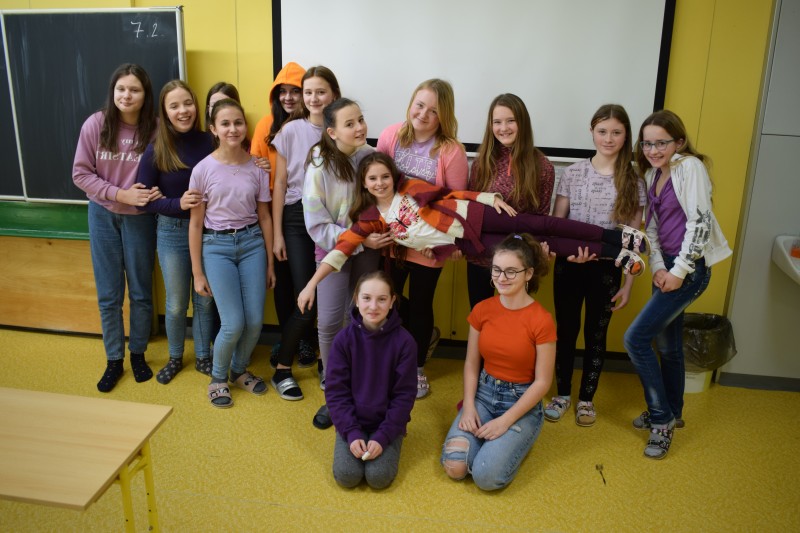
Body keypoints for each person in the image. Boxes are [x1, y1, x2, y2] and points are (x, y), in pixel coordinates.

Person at [296, 152, 648, 314]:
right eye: (372, 179)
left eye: (384, 176)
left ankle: (617, 237)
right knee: (539, 245)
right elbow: (341, 249)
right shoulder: (371, 219)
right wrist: (312, 284)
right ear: (364, 184)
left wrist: (485, 197)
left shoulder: (408, 188)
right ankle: (617, 256)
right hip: (467, 241)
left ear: (392, 176)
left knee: (543, 225)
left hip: (475, 214)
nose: (380, 182)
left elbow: (448, 194)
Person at [624, 109, 732, 459]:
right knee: (668, 347)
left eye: (661, 143)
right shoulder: (652, 172)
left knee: (635, 339)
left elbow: (700, 223)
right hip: (667, 266)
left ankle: (661, 419)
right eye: (647, 144)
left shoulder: (690, 168)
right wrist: (657, 266)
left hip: (690, 269)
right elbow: (652, 227)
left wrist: (679, 271)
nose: (653, 150)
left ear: (679, 142)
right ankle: (674, 411)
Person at [544, 104, 646, 426]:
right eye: (602, 131)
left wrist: (628, 284)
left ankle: (586, 399)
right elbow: (557, 225)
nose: (608, 138)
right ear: (592, 132)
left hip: (606, 270)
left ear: (626, 135)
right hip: (569, 266)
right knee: (566, 331)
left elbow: (632, 240)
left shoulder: (634, 181)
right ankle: (562, 394)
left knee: (596, 335)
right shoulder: (573, 173)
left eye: (616, 132)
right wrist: (563, 253)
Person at [440, 233, 555, 491]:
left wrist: (505, 422)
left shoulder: (541, 320)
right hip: (484, 394)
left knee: (485, 477)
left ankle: (514, 438)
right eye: (496, 270)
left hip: (521, 402)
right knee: (455, 468)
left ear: (528, 274)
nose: (502, 278)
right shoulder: (482, 309)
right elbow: (471, 364)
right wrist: (468, 406)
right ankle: (486, 441)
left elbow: (542, 382)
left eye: (511, 271)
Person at [377, 78, 469, 399]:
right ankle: (388, 359)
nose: (424, 114)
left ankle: (415, 368)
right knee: (386, 300)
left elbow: (455, 202)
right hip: (390, 238)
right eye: (420, 105)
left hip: (428, 244)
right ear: (411, 103)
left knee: (420, 304)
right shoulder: (390, 136)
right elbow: (375, 184)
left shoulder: (451, 151)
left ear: (444, 116)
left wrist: (444, 243)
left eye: (434, 110)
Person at [72, 63, 159, 393]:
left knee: (140, 291)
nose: (126, 95)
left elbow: (168, 171)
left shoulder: (155, 128)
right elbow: (80, 174)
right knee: (109, 294)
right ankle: (113, 359)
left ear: (145, 95)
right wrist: (120, 194)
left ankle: (137, 353)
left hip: (140, 218)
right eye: (121, 89)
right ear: (113, 92)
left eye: (134, 89)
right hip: (102, 214)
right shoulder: (96, 124)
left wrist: (154, 193)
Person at [302, 98, 387, 427]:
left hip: (369, 251)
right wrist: (359, 240)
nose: (360, 128)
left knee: (364, 319)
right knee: (328, 323)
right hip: (333, 253)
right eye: (350, 124)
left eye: (361, 120)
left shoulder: (371, 156)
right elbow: (317, 226)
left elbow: (388, 201)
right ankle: (334, 392)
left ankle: (362, 389)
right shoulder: (319, 166)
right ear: (332, 132)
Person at [188, 98, 276, 408]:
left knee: (254, 322)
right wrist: (197, 272)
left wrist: (270, 264)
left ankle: (239, 370)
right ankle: (218, 377)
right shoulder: (202, 170)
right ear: (213, 129)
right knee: (233, 323)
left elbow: (264, 216)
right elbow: (195, 224)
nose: (233, 129)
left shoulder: (257, 167)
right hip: (217, 248)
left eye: (238, 122)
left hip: (252, 245)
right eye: (225, 123)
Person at [137, 80, 215, 384]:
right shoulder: (156, 149)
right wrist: (176, 203)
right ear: (165, 112)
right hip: (172, 232)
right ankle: (174, 357)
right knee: (176, 302)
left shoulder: (211, 141)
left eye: (188, 103)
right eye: (174, 106)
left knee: (205, 298)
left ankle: (204, 356)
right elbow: (144, 200)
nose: (183, 111)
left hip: (209, 231)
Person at [271, 65, 341, 401]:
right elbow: (280, 183)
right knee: (307, 298)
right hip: (296, 218)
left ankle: (328, 363)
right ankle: (282, 369)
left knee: (332, 299)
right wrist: (277, 234)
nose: (313, 98)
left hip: (332, 218)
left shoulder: (341, 130)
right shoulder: (291, 130)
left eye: (320, 92)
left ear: (334, 95)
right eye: (308, 92)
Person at [250, 62, 317, 370]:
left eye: (295, 91)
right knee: (283, 280)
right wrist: (261, 167)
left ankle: (304, 339)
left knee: (307, 280)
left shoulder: (314, 125)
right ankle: (286, 338)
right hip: (272, 211)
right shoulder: (266, 125)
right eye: (282, 92)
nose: (288, 98)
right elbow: (253, 168)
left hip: (307, 210)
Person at [326, 271, 417, 489]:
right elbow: (336, 392)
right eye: (366, 298)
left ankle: (391, 439)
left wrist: (384, 436)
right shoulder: (343, 340)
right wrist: (350, 431)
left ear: (392, 301)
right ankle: (352, 434)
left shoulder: (405, 342)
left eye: (382, 299)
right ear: (356, 299)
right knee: (347, 476)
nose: (373, 306)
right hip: (352, 420)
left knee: (378, 477)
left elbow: (404, 397)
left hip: (387, 423)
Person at [467, 93, 555, 308]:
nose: (503, 128)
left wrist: (540, 248)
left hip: (518, 263)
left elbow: (541, 218)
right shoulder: (481, 163)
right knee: (480, 316)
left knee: (513, 320)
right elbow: (471, 208)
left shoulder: (542, 166)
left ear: (522, 122)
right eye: (497, 122)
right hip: (481, 259)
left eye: (511, 121)